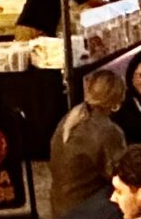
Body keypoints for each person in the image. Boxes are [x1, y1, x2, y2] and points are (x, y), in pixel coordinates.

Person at [50, 69, 128, 209]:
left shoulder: (71, 118)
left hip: (59, 207)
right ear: (118, 100)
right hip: (86, 209)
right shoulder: (108, 131)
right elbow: (121, 175)